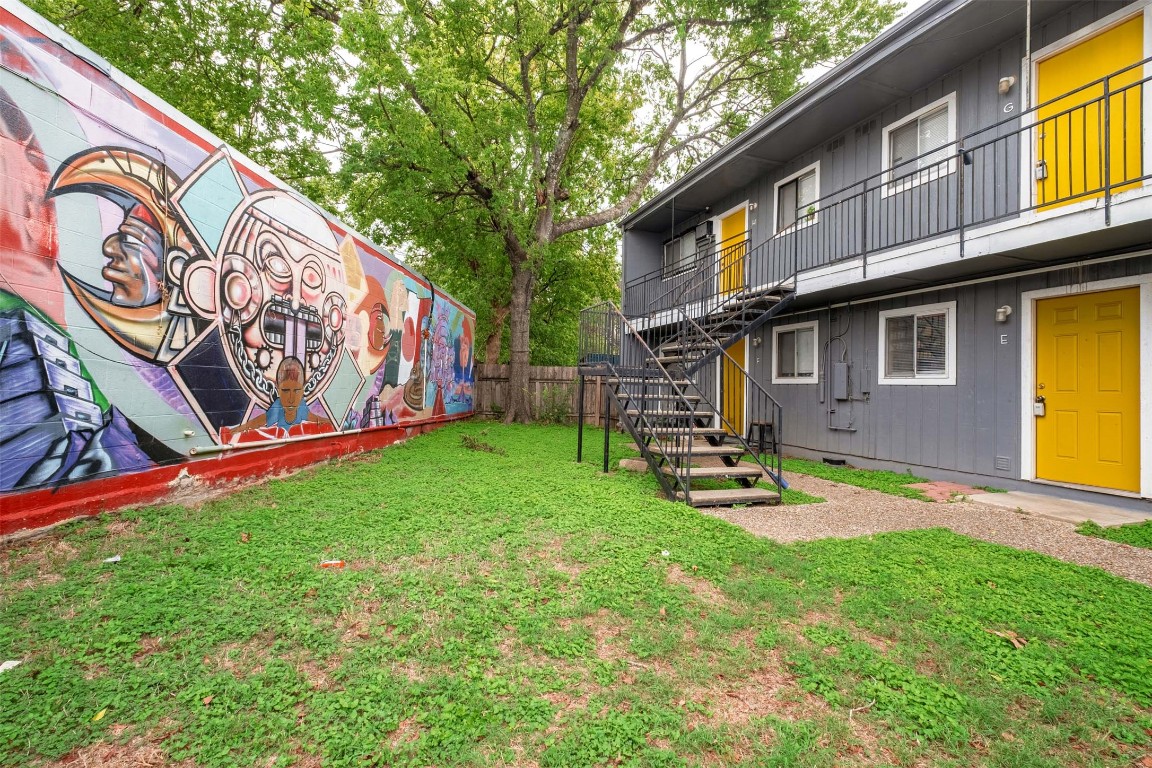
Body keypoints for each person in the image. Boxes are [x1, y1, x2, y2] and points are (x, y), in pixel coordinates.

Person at [219, 356, 332, 442]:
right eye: (286, 391)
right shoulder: (277, 407)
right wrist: (237, 429)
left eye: (296, 391)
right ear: (278, 390)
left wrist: (331, 421)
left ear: (302, 391)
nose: (291, 399)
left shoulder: (302, 407)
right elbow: (259, 421)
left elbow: (314, 418)